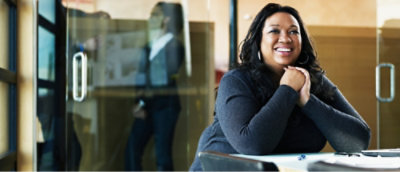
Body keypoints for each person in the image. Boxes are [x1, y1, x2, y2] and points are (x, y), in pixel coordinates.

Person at [189, 3, 371, 171]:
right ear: (258, 41)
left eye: (293, 32)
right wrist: (288, 90)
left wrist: (307, 101)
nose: (285, 38)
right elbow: (252, 145)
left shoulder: (314, 81)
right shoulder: (236, 80)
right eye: (274, 31)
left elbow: (358, 142)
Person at [125, 2, 185, 171]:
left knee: (162, 155)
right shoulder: (148, 46)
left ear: (166, 19)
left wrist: (141, 102)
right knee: (132, 149)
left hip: (165, 107)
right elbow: (141, 78)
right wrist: (138, 102)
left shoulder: (175, 47)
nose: (150, 19)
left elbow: (161, 80)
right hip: (146, 106)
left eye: (154, 15)